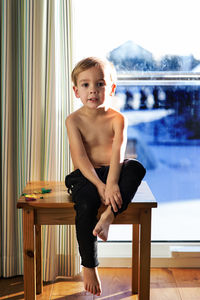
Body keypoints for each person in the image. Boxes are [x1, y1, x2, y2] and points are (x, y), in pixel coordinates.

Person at [65, 57, 146, 296]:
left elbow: (118, 154)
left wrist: (111, 184)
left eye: (100, 84)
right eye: (86, 85)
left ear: (110, 88)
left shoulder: (118, 119)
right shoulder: (73, 120)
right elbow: (80, 159)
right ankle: (89, 264)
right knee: (88, 202)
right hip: (86, 175)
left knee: (137, 167)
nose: (93, 90)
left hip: (113, 169)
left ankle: (109, 216)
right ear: (76, 90)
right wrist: (101, 186)